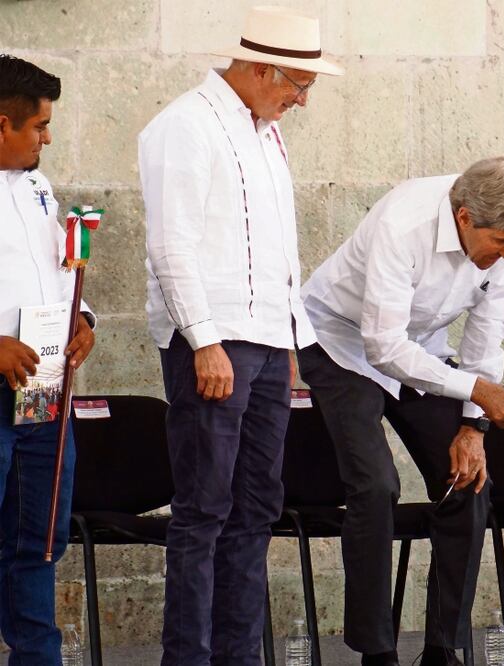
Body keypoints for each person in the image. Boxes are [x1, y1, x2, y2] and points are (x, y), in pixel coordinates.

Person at [139, 7, 342, 664]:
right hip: (213, 343)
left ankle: (238, 656)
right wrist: (203, 340)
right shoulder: (185, 126)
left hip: (260, 340)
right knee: (204, 510)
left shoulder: (265, 132)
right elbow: (173, 246)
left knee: (257, 506)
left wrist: (286, 343)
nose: (302, 100)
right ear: (260, 68)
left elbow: (278, 248)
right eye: (296, 85)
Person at [298, 156, 504, 666]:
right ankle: (376, 649)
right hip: (340, 342)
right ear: (466, 218)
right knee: (375, 484)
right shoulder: (403, 223)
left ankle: (444, 647)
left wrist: (474, 426)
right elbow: (382, 346)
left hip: (422, 347)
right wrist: (479, 389)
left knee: (470, 481)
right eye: (501, 243)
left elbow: (484, 334)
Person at [0, 53, 96, 664]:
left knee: (37, 538)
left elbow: (59, 276)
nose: (48, 137)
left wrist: (80, 321)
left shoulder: (36, 186)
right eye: (38, 126)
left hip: (41, 390)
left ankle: (38, 657)